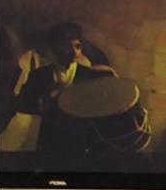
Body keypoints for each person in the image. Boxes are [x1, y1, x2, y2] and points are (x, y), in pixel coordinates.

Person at [16, 22, 116, 164]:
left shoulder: (89, 76)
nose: (74, 52)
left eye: (78, 46)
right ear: (55, 48)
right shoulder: (39, 75)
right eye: (67, 46)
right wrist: (49, 96)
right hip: (50, 143)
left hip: (82, 143)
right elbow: (22, 104)